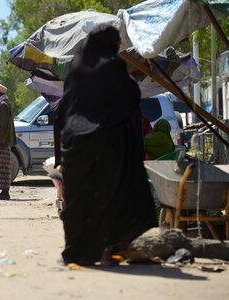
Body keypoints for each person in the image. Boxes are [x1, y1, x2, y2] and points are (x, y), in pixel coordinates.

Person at [56, 24, 157, 266]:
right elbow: (131, 96)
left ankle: (76, 251)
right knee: (109, 198)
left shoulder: (76, 67)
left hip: (76, 146)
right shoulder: (113, 66)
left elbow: (64, 109)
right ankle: (107, 250)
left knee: (80, 200)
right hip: (106, 143)